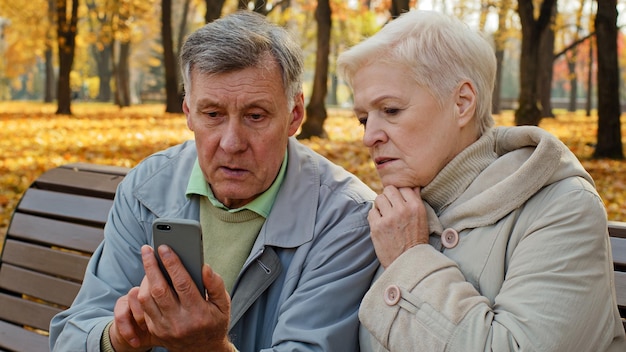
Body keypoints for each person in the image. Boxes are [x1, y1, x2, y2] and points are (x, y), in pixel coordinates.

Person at [50, 10, 379, 352]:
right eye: (212, 115)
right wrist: (120, 337)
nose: (232, 143)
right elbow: (73, 335)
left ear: (294, 114)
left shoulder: (345, 218)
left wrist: (210, 347)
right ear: (188, 113)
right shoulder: (147, 188)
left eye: (255, 116)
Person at [336, 9, 626, 352]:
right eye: (363, 120)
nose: (369, 137)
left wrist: (409, 258)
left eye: (391, 110)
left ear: (462, 103)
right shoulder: (393, 215)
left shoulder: (563, 207)